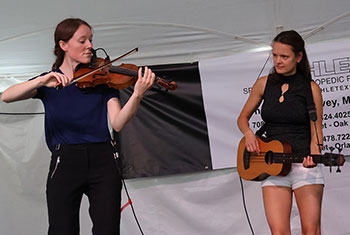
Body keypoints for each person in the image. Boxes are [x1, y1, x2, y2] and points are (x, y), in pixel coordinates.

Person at [1, 18, 155, 235]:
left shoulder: (103, 81)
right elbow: (6, 96)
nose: (90, 46)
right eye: (82, 41)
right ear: (64, 45)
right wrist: (40, 81)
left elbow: (118, 123)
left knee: (108, 229)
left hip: (103, 159)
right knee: (62, 229)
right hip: (65, 161)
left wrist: (137, 94)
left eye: (90, 40)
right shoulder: (49, 82)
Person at [237, 30, 324, 235]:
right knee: (278, 232)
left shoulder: (310, 88)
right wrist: (249, 134)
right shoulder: (263, 84)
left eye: (284, 56)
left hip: (303, 164)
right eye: (275, 55)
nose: (278, 61)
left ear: (299, 56)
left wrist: (315, 156)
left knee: (310, 231)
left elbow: (316, 128)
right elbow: (242, 118)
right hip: (273, 166)